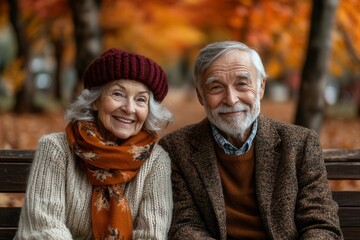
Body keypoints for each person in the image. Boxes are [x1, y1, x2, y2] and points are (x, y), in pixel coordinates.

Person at [159, 41, 343, 239]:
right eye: (216, 87)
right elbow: (184, 226)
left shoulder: (300, 143)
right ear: (200, 95)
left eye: (242, 84)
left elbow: (321, 224)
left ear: (261, 86)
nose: (231, 99)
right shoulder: (176, 149)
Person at [15, 48, 173, 240]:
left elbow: (151, 235)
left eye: (141, 99)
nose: (129, 108)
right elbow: (44, 228)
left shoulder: (156, 161)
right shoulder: (56, 148)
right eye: (118, 94)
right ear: (95, 101)